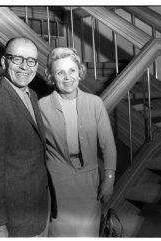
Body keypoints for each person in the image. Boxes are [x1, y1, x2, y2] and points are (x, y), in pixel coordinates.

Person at [0, 37, 50, 237]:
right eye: (17, 59)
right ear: (4, 62)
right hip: (15, 219)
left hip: (38, 210)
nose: (25, 66)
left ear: (37, 65)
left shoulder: (31, 95)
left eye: (31, 60)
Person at [39, 47, 117, 237]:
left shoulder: (95, 103)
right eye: (60, 72)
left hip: (89, 185)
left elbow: (108, 145)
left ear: (80, 72)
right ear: (51, 76)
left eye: (72, 70)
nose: (67, 77)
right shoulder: (41, 106)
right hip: (57, 185)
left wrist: (109, 179)